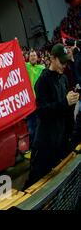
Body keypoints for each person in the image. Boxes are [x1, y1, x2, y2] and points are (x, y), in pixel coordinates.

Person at [24, 44, 79, 188]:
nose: (64, 65)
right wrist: (65, 102)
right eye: (62, 62)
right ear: (52, 59)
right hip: (44, 143)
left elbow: (65, 111)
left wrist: (71, 102)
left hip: (59, 141)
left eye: (66, 62)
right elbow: (42, 112)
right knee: (35, 183)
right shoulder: (43, 81)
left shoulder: (63, 79)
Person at [25, 50, 45, 149]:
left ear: (37, 58)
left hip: (40, 102)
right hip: (29, 103)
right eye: (31, 56)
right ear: (28, 58)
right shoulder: (25, 66)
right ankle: (33, 147)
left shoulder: (42, 68)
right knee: (31, 127)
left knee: (41, 125)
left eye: (34, 55)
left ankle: (41, 146)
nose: (32, 57)